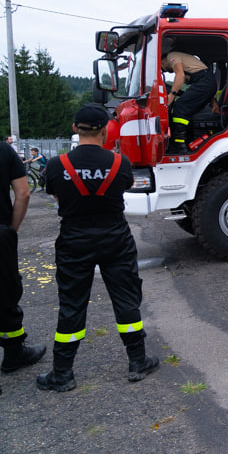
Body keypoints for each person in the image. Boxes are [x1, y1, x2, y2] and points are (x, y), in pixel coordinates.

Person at [36, 104, 159, 392]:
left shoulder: (56, 166)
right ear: (105, 130)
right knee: (126, 299)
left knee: (71, 305)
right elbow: (125, 188)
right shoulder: (121, 163)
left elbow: (55, 194)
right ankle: (137, 362)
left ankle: (63, 373)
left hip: (74, 239)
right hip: (115, 237)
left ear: (75, 129)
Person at [0, 138, 46, 395]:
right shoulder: (4, 150)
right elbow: (23, 192)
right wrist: (10, 231)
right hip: (1, 233)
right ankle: (14, 352)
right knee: (6, 292)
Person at [161, 51, 217, 154]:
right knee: (185, 107)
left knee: (180, 107)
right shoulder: (187, 64)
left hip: (204, 82)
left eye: (162, 69)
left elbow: (180, 76)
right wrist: (213, 102)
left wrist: (171, 95)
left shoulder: (171, 56)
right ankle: (184, 139)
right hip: (206, 83)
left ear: (163, 62)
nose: (165, 71)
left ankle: (179, 144)